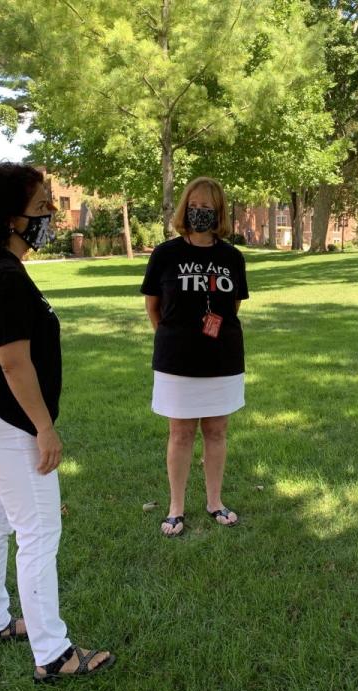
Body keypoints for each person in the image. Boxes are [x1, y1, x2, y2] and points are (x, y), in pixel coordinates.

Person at [0, 163, 114, 681]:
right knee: (38, 532)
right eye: (41, 206)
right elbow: (15, 363)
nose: (50, 215)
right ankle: (54, 655)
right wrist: (45, 427)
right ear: (9, 217)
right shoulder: (2, 273)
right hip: (7, 425)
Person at [140, 177, 250, 537]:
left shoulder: (232, 257)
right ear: (184, 207)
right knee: (181, 432)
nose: (199, 212)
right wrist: (174, 338)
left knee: (217, 431)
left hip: (222, 359)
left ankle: (215, 501)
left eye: (208, 207)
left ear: (218, 212)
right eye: (194, 205)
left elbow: (230, 307)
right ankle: (176, 507)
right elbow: (153, 306)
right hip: (177, 360)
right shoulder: (165, 254)